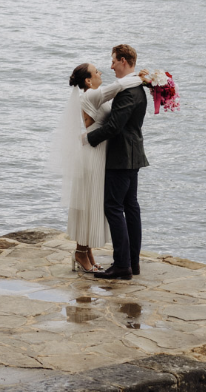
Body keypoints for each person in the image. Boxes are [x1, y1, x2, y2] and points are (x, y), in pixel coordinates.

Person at [53, 62, 144, 274]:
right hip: (92, 154)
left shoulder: (94, 95)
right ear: (87, 80)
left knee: (92, 201)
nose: (101, 73)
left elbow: (117, 89)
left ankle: (86, 251)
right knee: (88, 201)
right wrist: (144, 78)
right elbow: (119, 87)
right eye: (96, 72)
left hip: (99, 152)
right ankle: (80, 252)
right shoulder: (89, 96)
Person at [85, 43, 148, 280]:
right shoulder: (137, 87)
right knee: (131, 207)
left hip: (122, 156)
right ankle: (132, 262)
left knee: (114, 207)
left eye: (113, 61)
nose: (111, 66)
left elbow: (114, 126)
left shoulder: (128, 90)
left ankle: (122, 265)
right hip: (133, 154)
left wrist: (87, 139)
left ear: (123, 61)